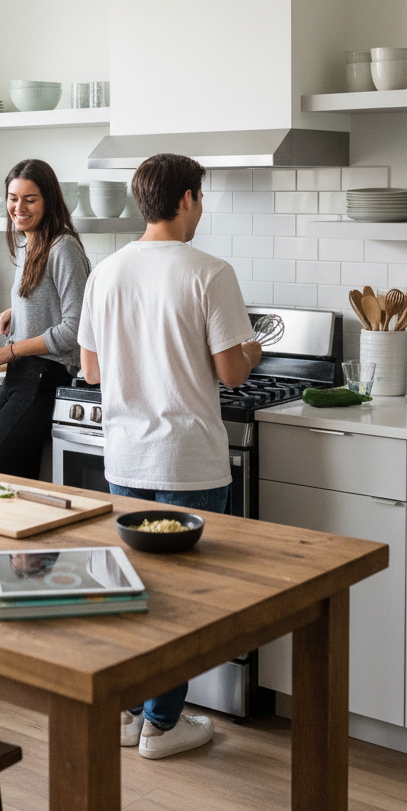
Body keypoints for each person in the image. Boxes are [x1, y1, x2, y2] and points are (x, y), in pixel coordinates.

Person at [77, 152, 262, 760]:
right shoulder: (209, 271)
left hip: (125, 456)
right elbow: (232, 373)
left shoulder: (107, 272)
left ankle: (131, 711)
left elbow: (91, 369)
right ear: (186, 199)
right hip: (186, 458)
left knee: (134, 589)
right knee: (184, 600)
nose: (202, 208)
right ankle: (163, 724)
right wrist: (253, 348)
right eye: (201, 197)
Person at [0, 159, 90, 479]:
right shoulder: (27, 242)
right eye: (13, 197)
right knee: (14, 483)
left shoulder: (63, 248)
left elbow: (74, 328)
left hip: (44, 377)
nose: (18, 207)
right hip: (20, 376)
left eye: (29, 199)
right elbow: (48, 300)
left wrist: (9, 350)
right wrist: (16, 311)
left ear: (49, 200)